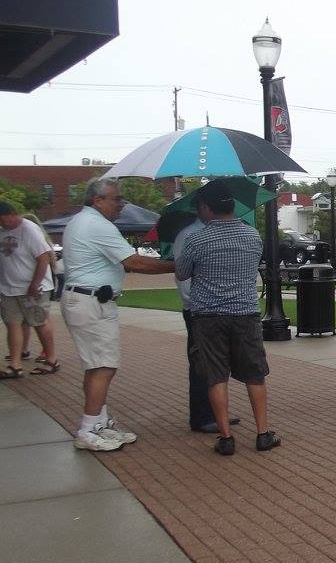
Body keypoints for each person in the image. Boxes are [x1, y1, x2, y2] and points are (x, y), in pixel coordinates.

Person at [61, 178, 175, 452]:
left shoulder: (83, 222)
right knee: (103, 366)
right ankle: (89, 429)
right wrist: (178, 265)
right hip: (91, 302)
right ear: (97, 200)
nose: (121, 204)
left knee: (96, 365)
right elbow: (133, 262)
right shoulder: (97, 225)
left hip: (86, 299)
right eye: (116, 199)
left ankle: (98, 422)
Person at [176, 180, 279, 455]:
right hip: (245, 313)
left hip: (208, 316)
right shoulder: (252, 237)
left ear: (208, 208)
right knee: (255, 375)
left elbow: (182, 273)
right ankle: (263, 432)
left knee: (215, 377)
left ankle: (225, 437)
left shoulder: (196, 240)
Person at [173, 207, 240, 434]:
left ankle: (217, 413)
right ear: (204, 207)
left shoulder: (213, 233)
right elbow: (184, 278)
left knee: (218, 364)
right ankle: (202, 417)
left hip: (216, 311)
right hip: (199, 311)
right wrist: (195, 305)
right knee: (202, 365)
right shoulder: (190, 235)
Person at [0, 201, 59, 377]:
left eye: (3, 220)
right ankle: (15, 365)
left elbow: (43, 258)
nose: (3, 224)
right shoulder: (2, 231)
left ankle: (52, 359)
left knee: (40, 322)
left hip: (33, 288)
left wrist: (34, 284)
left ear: (12, 213)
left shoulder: (29, 229)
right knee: (13, 324)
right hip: (9, 289)